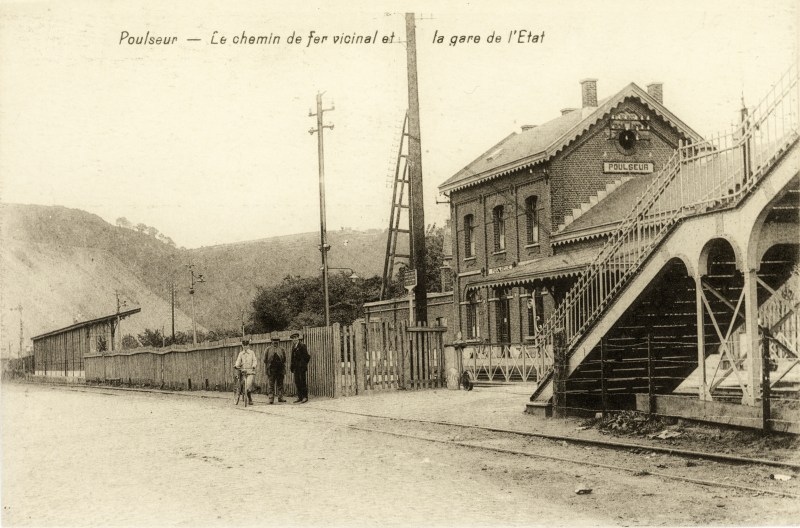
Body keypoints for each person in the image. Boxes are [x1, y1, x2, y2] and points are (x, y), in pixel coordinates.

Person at [234, 337, 257, 405]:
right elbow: (238, 361)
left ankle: (249, 399)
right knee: (242, 383)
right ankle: (240, 392)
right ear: (242, 346)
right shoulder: (241, 354)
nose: (245, 347)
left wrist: (254, 366)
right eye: (244, 345)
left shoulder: (252, 353)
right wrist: (236, 365)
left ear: (248, 345)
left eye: (247, 345)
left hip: (250, 372)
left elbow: (255, 360)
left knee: (248, 385)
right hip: (243, 372)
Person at [264, 336, 287, 404]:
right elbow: (265, 360)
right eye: (274, 340)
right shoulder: (268, 349)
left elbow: (284, 359)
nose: (275, 342)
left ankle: (280, 397)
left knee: (280, 384)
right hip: (271, 369)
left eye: (277, 340)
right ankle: (271, 398)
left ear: (279, 341)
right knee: (271, 384)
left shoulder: (282, 349)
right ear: (271, 341)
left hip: (280, 369)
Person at [289, 332, 310, 403]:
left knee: (302, 382)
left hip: (301, 368)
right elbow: (292, 357)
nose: (294, 339)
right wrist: (292, 366)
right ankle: (300, 397)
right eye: (293, 338)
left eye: (295, 338)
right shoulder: (293, 346)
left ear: (298, 338)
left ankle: (305, 397)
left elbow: (307, 357)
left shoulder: (302, 345)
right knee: (297, 382)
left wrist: (303, 365)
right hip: (296, 368)